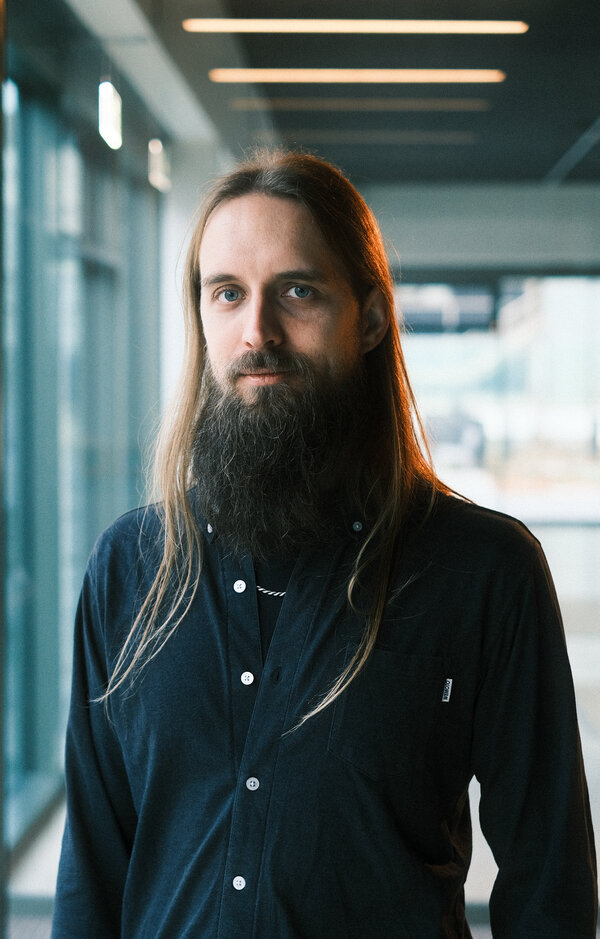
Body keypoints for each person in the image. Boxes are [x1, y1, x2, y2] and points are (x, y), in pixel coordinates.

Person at [52, 150, 597, 938]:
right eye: (227, 294)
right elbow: (92, 875)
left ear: (370, 317)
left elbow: (551, 887)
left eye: (297, 291)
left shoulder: (485, 571)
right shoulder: (129, 569)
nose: (257, 331)